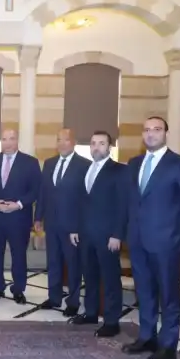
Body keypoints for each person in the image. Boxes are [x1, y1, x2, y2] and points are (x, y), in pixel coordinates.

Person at [122, 116, 180, 359]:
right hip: (137, 241)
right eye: (146, 130)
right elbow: (131, 202)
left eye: (156, 129)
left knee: (168, 296)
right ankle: (147, 337)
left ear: (166, 133)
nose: (151, 134)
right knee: (144, 292)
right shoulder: (134, 164)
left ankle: (168, 346)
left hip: (167, 243)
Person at [70, 131, 126, 338]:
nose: (96, 147)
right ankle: (91, 313)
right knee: (90, 276)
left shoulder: (119, 171)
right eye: (93, 143)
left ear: (109, 147)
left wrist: (117, 234)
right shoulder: (86, 169)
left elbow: (123, 205)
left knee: (110, 279)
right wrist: (75, 228)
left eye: (101, 143)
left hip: (108, 236)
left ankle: (112, 321)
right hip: (86, 235)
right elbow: (80, 202)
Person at [34, 128, 90, 317]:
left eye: (66, 140)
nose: (62, 143)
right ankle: (54, 297)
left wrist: (78, 226)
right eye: (59, 139)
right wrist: (38, 217)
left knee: (73, 265)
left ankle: (73, 302)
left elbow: (85, 200)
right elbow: (43, 192)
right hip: (51, 224)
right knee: (53, 262)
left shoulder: (84, 165)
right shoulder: (49, 163)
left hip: (72, 227)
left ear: (74, 142)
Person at [0, 129, 41, 304]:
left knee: (19, 256)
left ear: (17, 141)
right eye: (4, 139)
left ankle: (18, 289)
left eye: (11, 139)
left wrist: (19, 204)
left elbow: (36, 190)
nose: (7, 143)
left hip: (19, 218)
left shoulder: (30, 163)